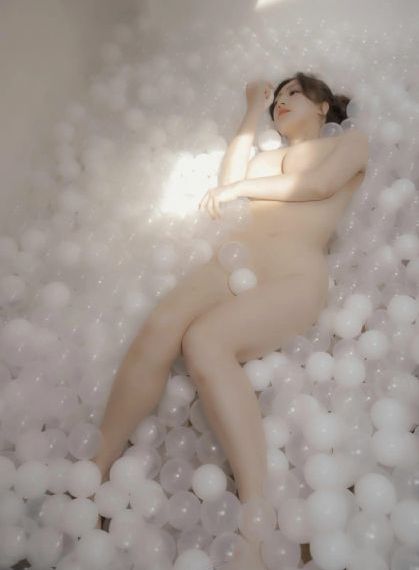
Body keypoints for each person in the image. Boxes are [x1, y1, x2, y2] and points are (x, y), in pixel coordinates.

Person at [91, 71, 369, 569]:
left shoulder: (349, 144)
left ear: (323, 106)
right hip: (237, 259)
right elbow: (228, 182)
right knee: (159, 326)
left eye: (293, 93)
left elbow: (317, 185)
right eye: (277, 98)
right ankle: (94, 469)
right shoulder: (263, 159)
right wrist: (250, 110)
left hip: (294, 273)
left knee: (205, 342)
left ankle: (255, 527)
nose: (281, 101)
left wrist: (241, 186)